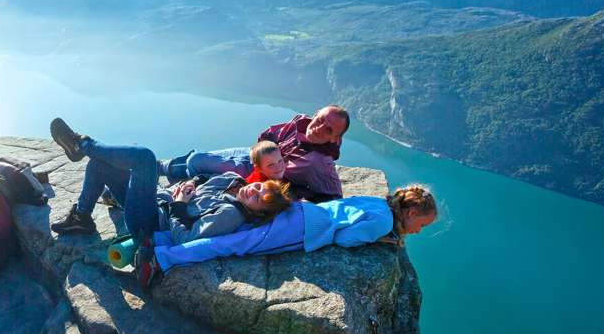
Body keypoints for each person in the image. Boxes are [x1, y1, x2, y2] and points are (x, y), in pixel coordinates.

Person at [47, 118, 294, 284]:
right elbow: (201, 176)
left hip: (150, 221)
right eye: (260, 187)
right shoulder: (232, 180)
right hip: (151, 198)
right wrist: (192, 184)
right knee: (100, 165)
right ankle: (81, 216)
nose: (255, 192)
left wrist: (178, 205)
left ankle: (83, 143)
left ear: (258, 212)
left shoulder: (231, 214)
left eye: (259, 200)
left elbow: (186, 238)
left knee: (144, 157)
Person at [151, 184, 438, 273]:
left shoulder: (379, 203)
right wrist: (378, 239)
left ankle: (160, 237)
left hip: (301, 211)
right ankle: (164, 256)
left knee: (237, 232)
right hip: (301, 231)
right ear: (411, 212)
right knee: (230, 244)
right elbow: (345, 239)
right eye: (421, 224)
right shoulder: (384, 223)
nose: (418, 230)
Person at [160, 105, 350, 203]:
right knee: (199, 158)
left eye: (328, 130)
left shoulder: (320, 161)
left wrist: (293, 192)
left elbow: (333, 196)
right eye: (321, 119)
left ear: (335, 139)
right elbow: (268, 134)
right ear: (316, 113)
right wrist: (264, 147)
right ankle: (164, 168)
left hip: (258, 170)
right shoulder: (300, 122)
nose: (318, 128)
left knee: (197, 160)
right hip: (253, 153)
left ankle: (167, 170)